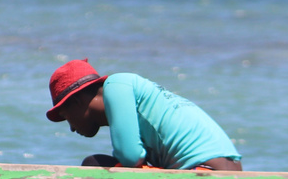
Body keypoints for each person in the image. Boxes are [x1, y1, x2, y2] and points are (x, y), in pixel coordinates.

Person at [44, 59, 242, 171]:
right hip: (230, 170)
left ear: (77, 102)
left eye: (66, 116)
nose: (70, 127)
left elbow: (130, 157)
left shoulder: (116, 85)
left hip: (205, 173)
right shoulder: (130, 92)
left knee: (93, 165)